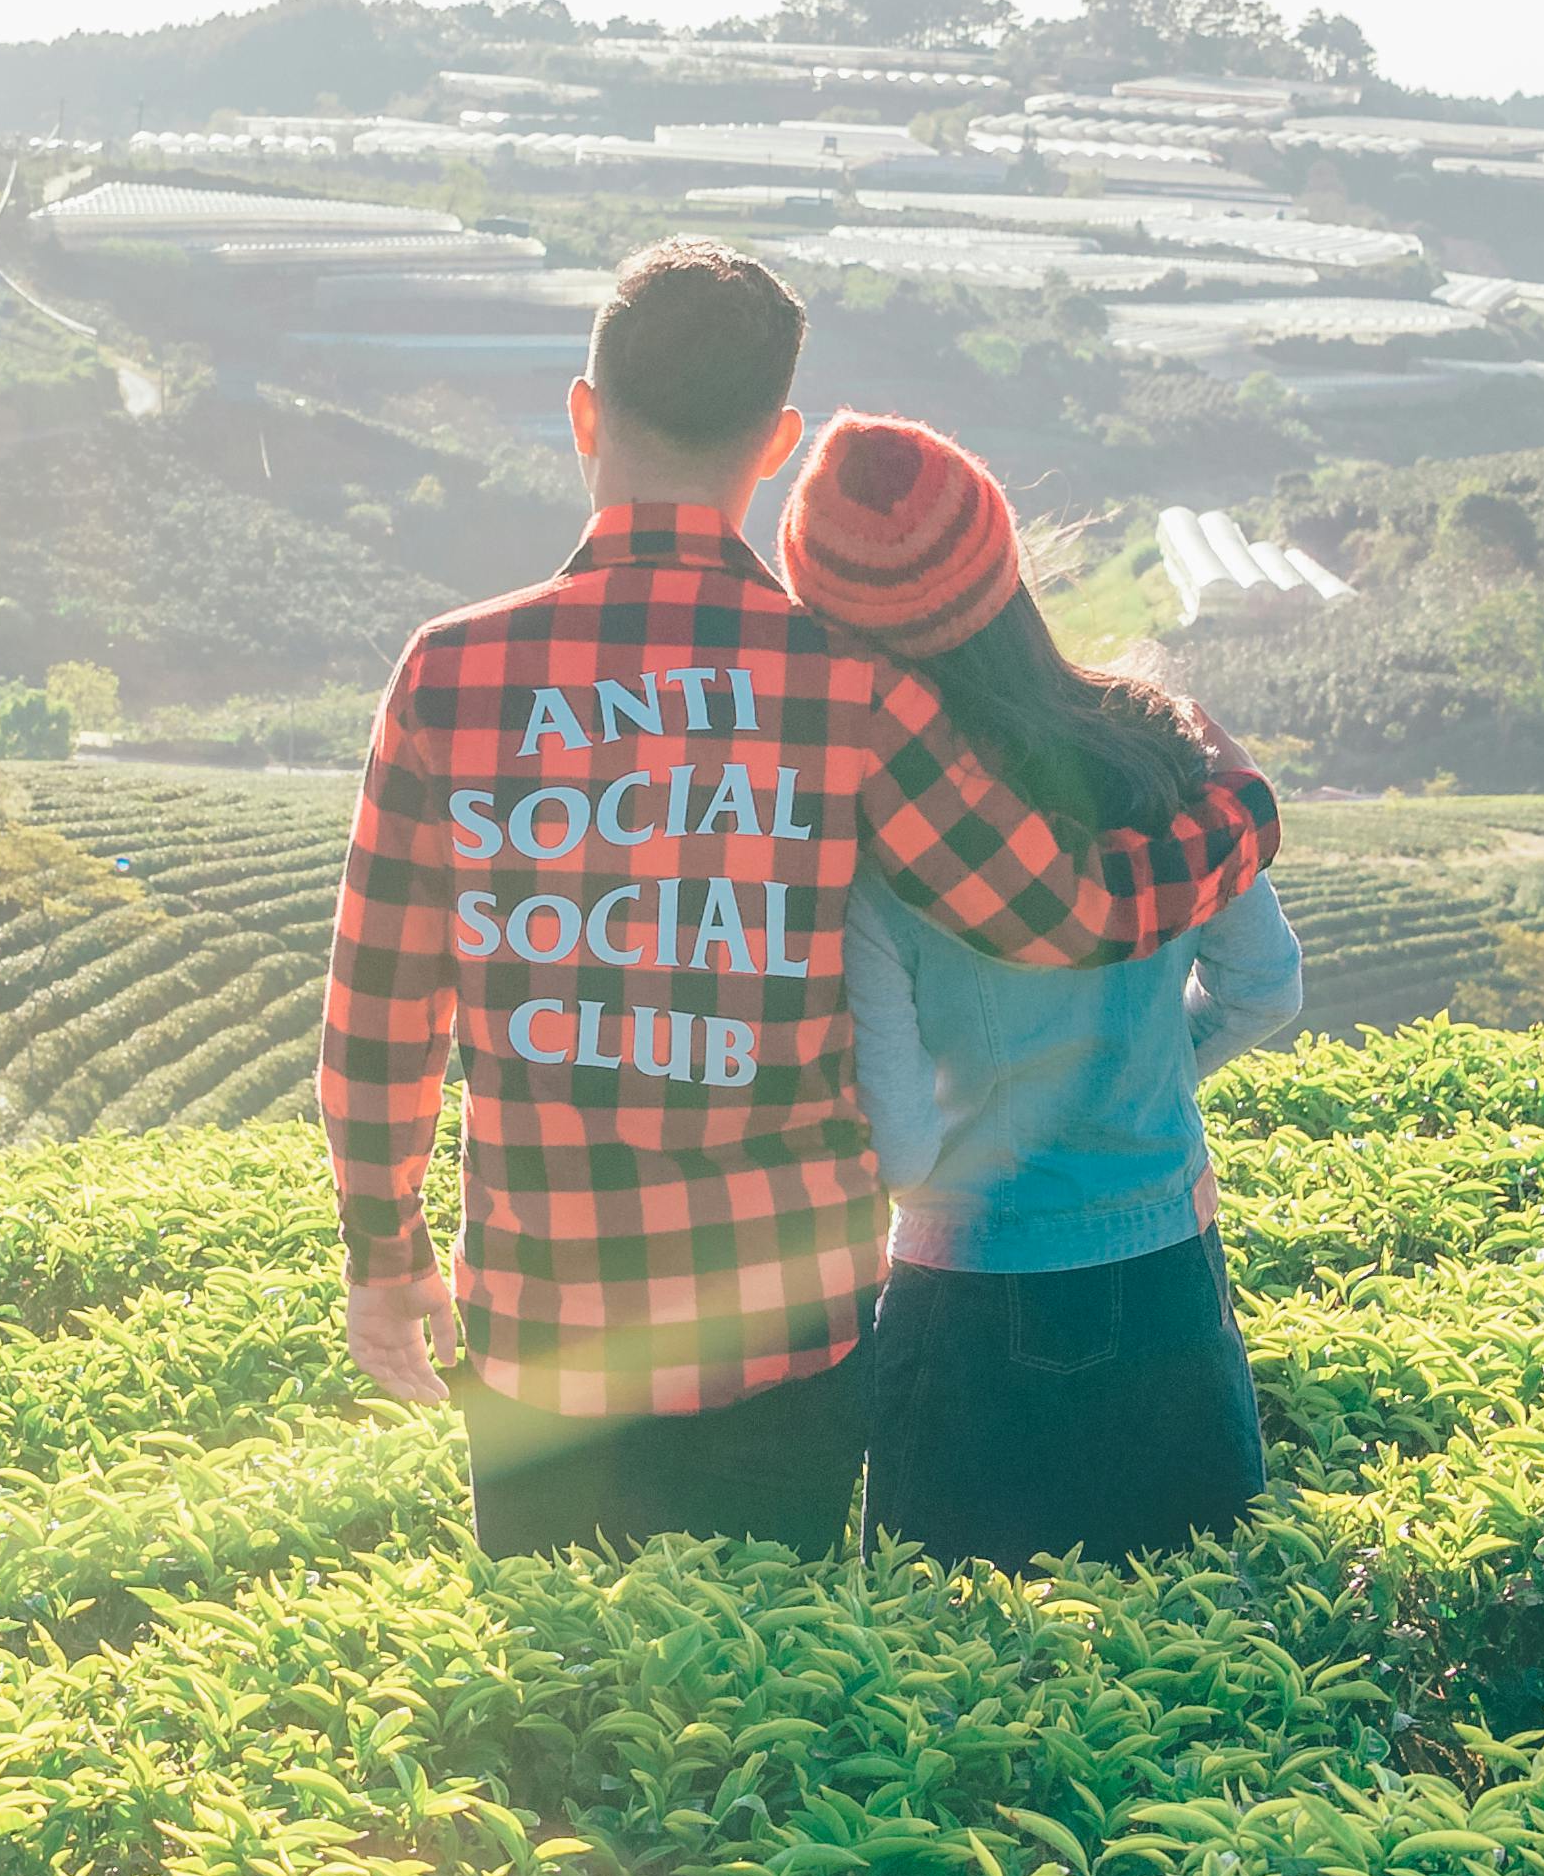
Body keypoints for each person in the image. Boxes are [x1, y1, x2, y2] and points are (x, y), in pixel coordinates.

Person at [320, 238, 1283, 1560]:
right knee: (766, 1706)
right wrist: (1239, 804)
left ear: (585, 413)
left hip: (543, 1325)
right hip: (787, 1334)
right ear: (774, 445)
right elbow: (1066, 914)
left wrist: (386, 1257)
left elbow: (382, 1019)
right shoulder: (852, 691)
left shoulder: (450, 675)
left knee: (555, 1714)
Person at [776, 409, 1304, 1568]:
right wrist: (1153, 1070)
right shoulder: (1157, 750)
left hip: (961, 1289)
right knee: (1198, 1664)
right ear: (1004, 566)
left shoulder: (875, 840)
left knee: (950, 1688)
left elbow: (906, 1152)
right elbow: (1265, 988)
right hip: (1166, 1265)